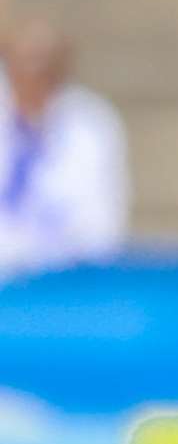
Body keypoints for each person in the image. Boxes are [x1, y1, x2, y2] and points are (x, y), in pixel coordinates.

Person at [0, 19, 130, 280]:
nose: (30, 78)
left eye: (41, 68)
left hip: (60, 282)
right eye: (21, 65)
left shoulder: (92, 126)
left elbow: (102, 226)